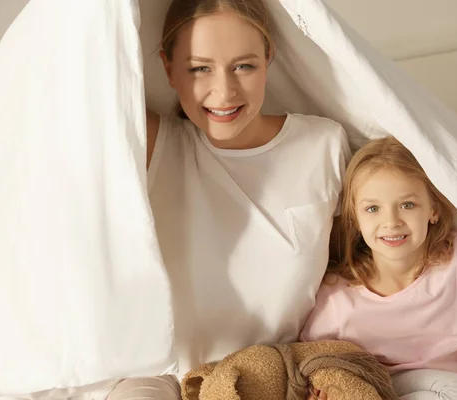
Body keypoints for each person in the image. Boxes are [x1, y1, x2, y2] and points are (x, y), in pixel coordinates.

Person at [108, 0, 351, 398]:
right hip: (168, 379)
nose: (224, 92)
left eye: (244, 66)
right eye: (199, 68)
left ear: (268, 58)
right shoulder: (154, 144)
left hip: (278, 376)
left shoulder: (322, 143)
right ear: (168, 69)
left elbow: (352, 266)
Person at [301, 137, 457, 400]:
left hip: (440, 384)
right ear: (356, 218)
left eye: (407, 205)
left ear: (433, 210)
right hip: (368, 386)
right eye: (373, 208)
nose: (391, 221)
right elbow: (312, 358)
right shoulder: (337, 295)